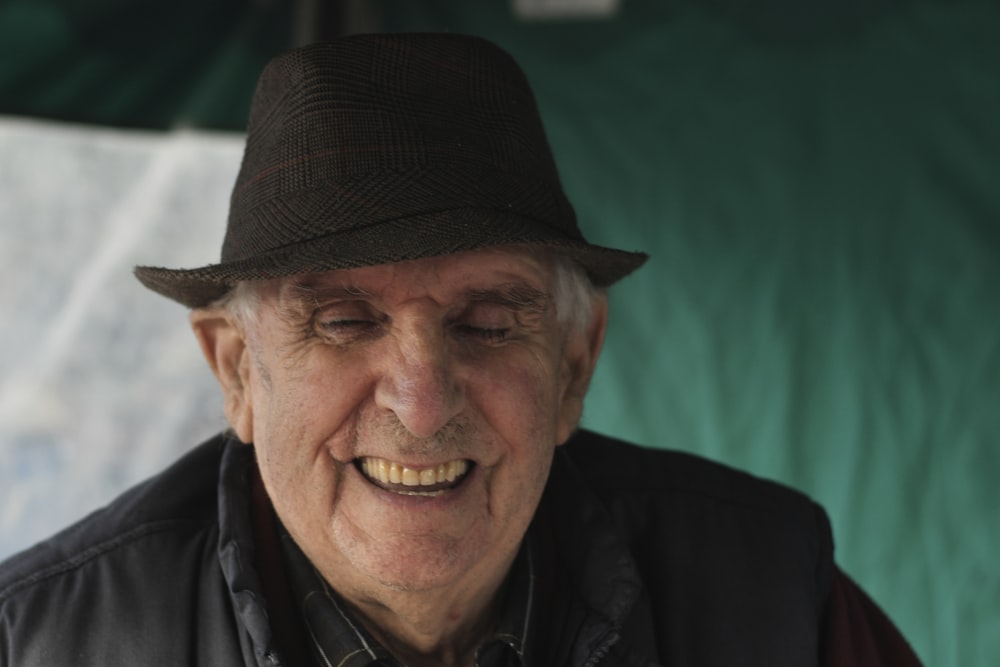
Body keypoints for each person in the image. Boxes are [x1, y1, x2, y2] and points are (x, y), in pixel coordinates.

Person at [0, 33, 921, 667]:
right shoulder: (36, 640)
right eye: (344, 321)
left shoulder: (776, 596)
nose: (423, 401)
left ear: (573, 364)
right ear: (238, 370)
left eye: (486, 323)